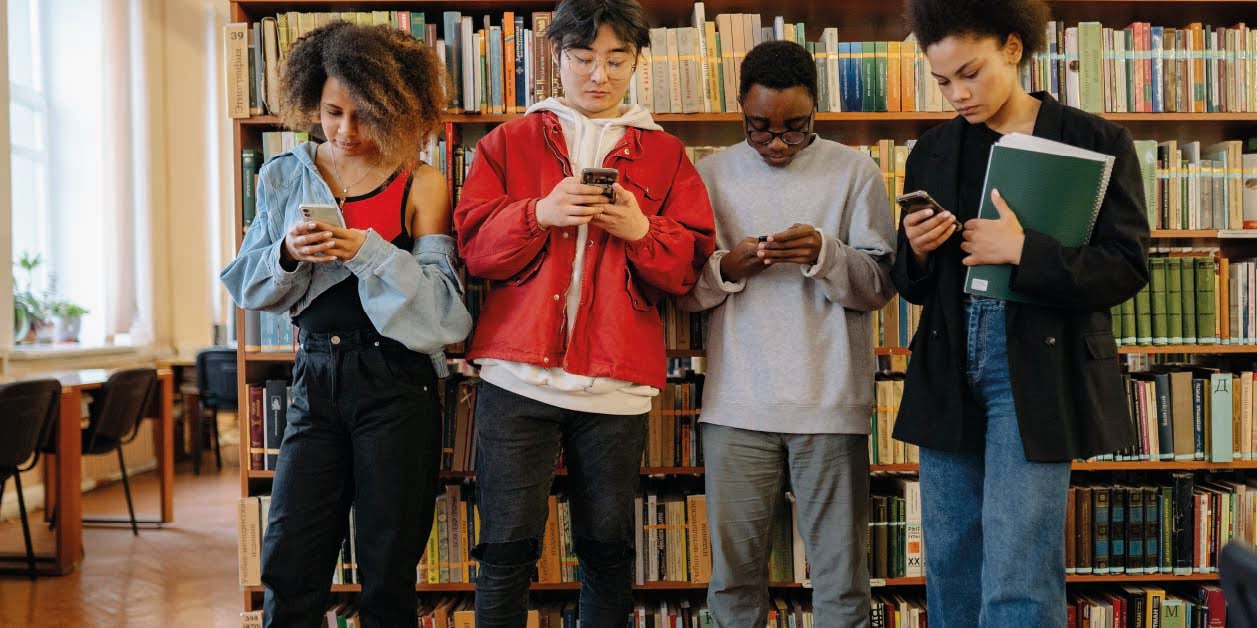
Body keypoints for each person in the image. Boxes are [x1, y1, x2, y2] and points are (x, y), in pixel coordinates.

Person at [452, 0, 716, 624]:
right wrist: (537, 213)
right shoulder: (509, 141)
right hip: (515, 377)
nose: (599, 74)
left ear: (635, 64)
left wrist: (639, 228)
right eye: (584, 58)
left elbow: (687, 267)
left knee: (609, 549)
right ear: (557, 59)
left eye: (616, 60)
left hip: (616, 386)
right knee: (506, 549)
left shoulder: (667, 155)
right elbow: (473, 250)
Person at [891, 1, 1150, 625]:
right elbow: (912, 285)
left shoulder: (1094, 139)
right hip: (947, 366)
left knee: (1018, 569)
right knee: (950, 562)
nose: (957, 94)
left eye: (971, 73)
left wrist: (1023, 251)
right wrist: (919, 253)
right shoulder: (930, 150)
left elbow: (1126, 266)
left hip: (1034, 370)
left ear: (1013, 47)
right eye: (943, 80)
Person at [219, 21, 472, 627]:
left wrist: (367, 250)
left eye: (364, 114)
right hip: (314, 377)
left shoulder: (421, 180)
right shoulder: (283, 176)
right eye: (333, 112)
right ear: (312, 102)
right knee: (290, 561)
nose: (346, 131)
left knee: (388, 570)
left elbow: (444, 311)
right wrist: (286, 252)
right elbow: (246, 284)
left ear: (395, 107)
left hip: (398, 382)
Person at [678, 40, 895, 627]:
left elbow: (879, 285)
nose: (776, 143)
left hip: (829, 407)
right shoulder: (710, 174)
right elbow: (683, 289)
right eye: (759, 128)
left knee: (842, 580)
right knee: (733, 584)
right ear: (739, 110)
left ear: (816, 111)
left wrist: (826, 254)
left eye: (794, 129)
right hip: (737, 406)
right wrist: (729, 268)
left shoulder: (855, 171)